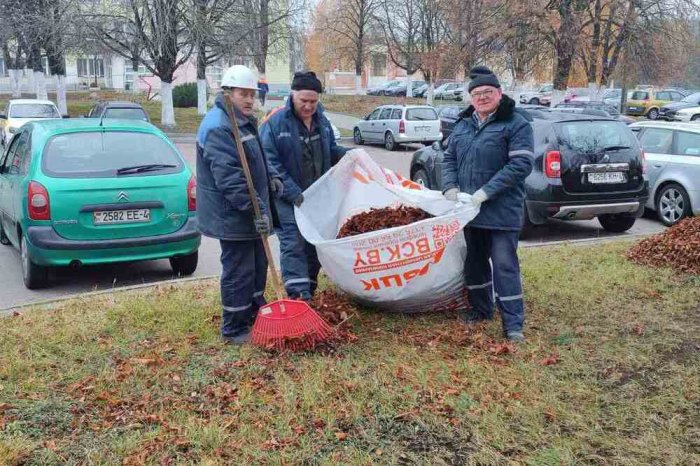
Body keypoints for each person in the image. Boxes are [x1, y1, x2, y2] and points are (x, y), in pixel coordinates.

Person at [441, 66, 534, 342]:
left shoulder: (516, 123)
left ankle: (513, 323)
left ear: (499, 94)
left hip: (501, 211)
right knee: (475, 263)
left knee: (505, 265)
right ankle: (481, 309)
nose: (482, 97)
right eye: (477, 93)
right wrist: (450, 187)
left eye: (487, 92)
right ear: (471, 98)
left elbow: (521, 164)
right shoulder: (463, 124)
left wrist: (485, 193)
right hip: (470, 211)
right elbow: (448, 159)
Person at [196, 65, 283, 344]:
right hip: (232, 215)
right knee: (239, 271)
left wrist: (271, 181)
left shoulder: (242, 120)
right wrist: (255, 207)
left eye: (251, 94)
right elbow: (231, 180)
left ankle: (255, 313)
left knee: (258, 265)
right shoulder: (219, 127)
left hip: (247, 213)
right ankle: (234, 328)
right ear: (227, 92)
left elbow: (254, 160)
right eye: (242, 94)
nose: (248, 99)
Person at [260, 71, 348, 300]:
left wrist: (350, 156)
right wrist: (293, 193)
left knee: (313, 243)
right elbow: (269, 163)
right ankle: (299, 298)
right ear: (293, 95)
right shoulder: (276, 123)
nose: (308, 106)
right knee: (294, 243)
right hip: (288, 198)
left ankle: (309, 288)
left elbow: (330, 151)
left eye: (313, 101)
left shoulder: (322, 121)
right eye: (304, 101)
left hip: (316, 197)